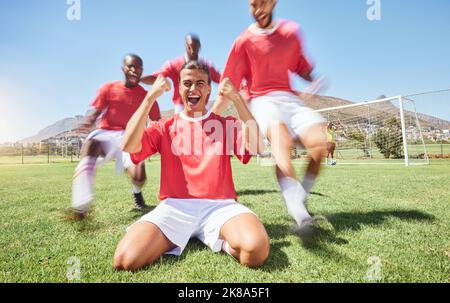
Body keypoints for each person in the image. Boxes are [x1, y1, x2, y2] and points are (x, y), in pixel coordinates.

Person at [113, 61, 269, 271]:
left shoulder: (225, 124)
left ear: (208, 89)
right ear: (179, 89)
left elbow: (258, 146)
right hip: (175, 207)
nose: (193, 88)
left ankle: (220, 240)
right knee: (125, 260)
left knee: (255, 250)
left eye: (200, 83)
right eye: (187, 83)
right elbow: (128, 144)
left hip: (220, 207)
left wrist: (237, 98)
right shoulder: (164, 127)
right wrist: (150, 98)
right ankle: (180, 235)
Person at [212, 0, 328, 235]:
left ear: (273, 2)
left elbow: (301, 67)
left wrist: (314, 79)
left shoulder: (291, 32)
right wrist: (212, 116)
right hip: (263, 101)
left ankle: (298, 198)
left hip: (290, 99)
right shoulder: (243, 41)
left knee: (320, 144)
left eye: (261, 3)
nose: (257, 11)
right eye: (252, 5)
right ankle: (301, 217)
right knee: (281, 143)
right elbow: (228, 84)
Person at [71, 54, 161, 218]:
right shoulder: (109, 88)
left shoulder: (147, 96)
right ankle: (81, 205)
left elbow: (157, 122)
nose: (134, 69)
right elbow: (96, 111)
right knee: (91, 143)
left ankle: (137, 193)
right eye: (130, 66)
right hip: (107, 133)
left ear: (142, 71)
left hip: (130, 136)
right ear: (123, 69)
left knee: (139, 177)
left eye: (138, 67)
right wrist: (88, 121)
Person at [140, 34, 221, 114]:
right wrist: (139, 79)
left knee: (203, 127)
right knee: (181, 127)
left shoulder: (207, 65)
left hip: (201, 106)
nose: (192, 50)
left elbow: (221, 79)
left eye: (195, 46)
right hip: (181, 108)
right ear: (185, 46)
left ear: (199, 47)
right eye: (189, 47)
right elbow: (156, 77)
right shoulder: (174, 64)